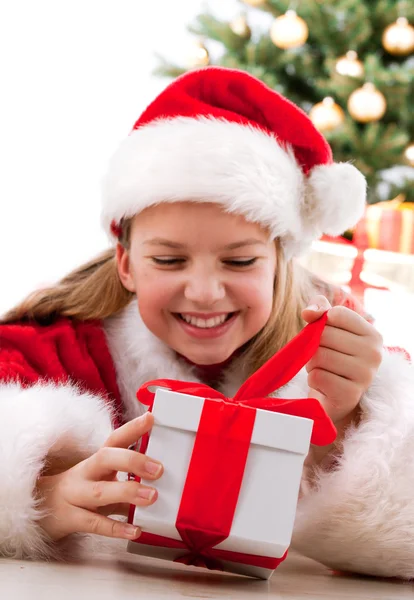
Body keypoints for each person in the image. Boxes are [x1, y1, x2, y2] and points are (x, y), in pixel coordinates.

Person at [0, 66, 413, 580]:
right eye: (169, 261)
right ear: (126, 264)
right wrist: (36, 496)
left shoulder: (341, 360)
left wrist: (348, 424)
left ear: (280, 262)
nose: (203, 292)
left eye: (239, 262)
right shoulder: (53, 352)